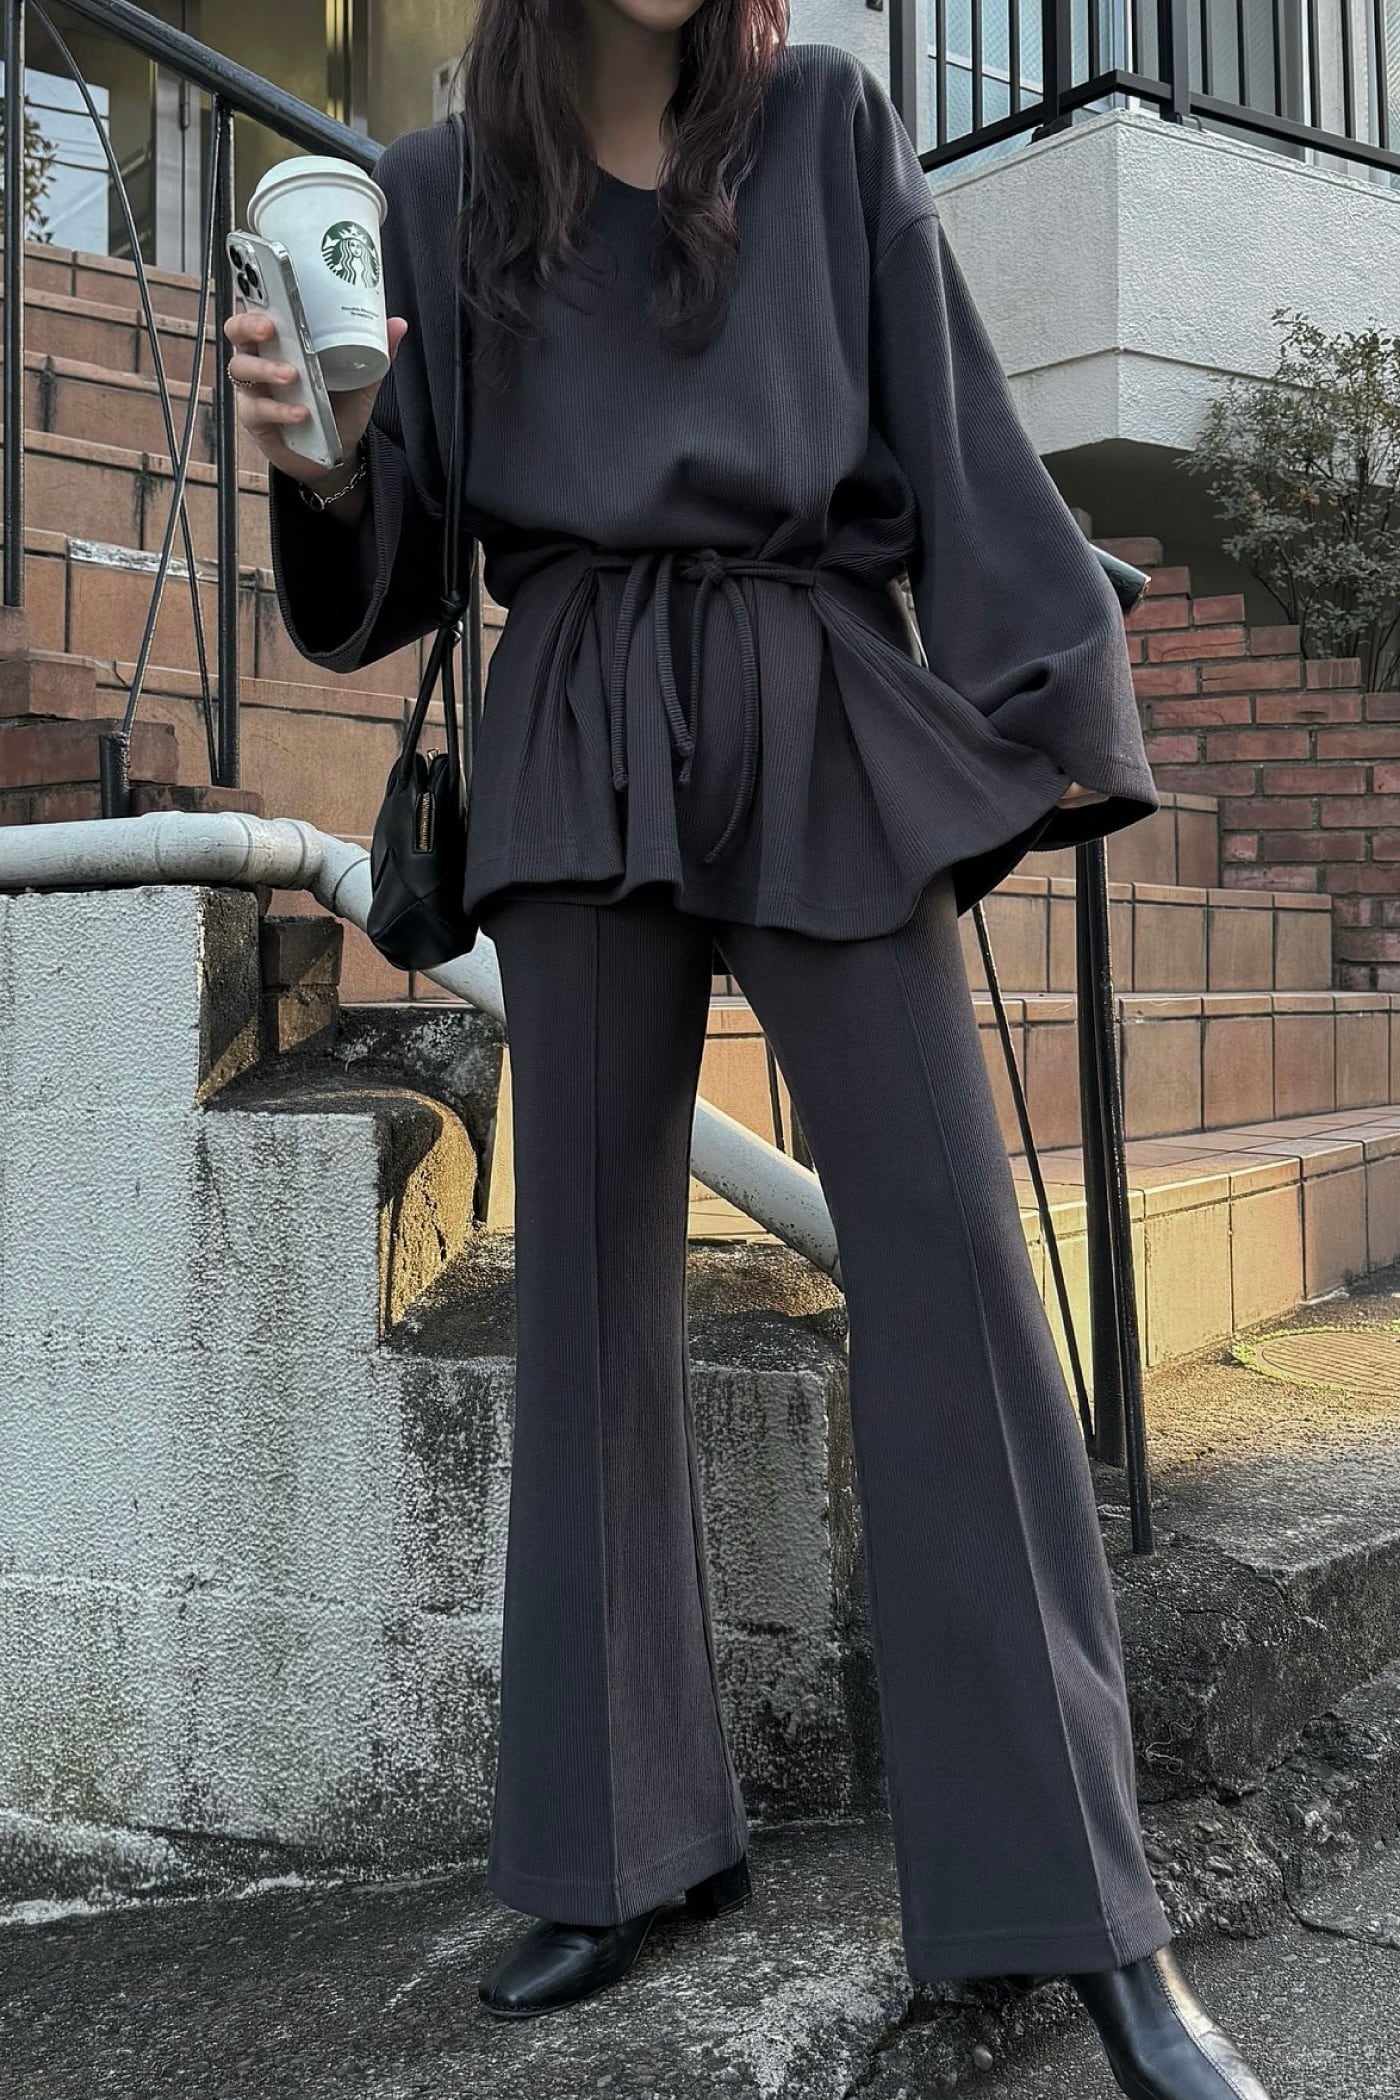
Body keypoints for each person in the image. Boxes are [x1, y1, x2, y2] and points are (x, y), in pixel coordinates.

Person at [227, 5, 1274, 2094]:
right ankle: (618, 1849)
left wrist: (1044, 716)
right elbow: (393, 559)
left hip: (809, 698)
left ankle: (1082, 1908)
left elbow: (957, 437)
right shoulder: (430, 191)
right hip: (574, 716)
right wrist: (321, 462)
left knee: (954, 1280)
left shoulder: (824, 126)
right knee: (585, 1301)